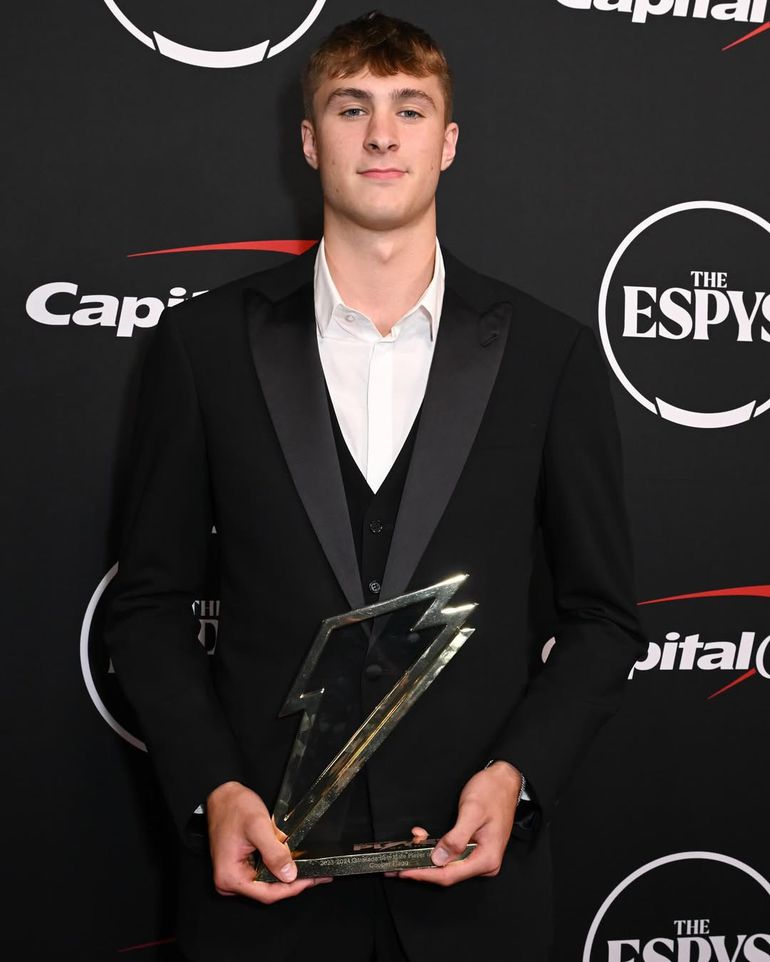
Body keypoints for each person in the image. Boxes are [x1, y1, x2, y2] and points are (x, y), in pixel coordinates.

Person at [105, 10, 645, 962]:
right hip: (263, 890)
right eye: (352, 108)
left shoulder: (548, 355)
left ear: (449, 142)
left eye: (410, 109)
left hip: (472, 894)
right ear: (311, 141)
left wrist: (518, 778)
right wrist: (212, 791)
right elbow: (147, 605)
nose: (383, 135)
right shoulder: (201, 347)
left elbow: (602, 617)